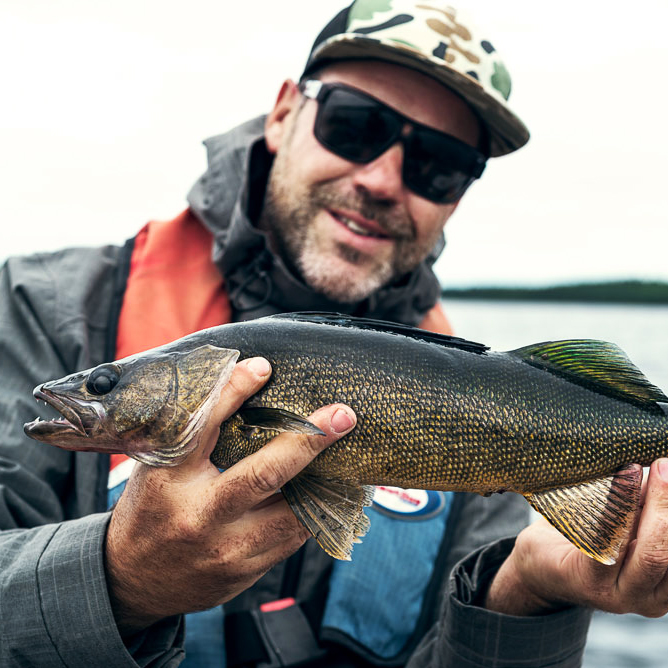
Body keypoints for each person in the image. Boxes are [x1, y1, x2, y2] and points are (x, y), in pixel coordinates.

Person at [3, 1, 668, 666]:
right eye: (354, 124)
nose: (380, 179)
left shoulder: (492, 410)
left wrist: (526, 594)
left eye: (438, 163)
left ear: (459, 194)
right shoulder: (40, 307)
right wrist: (117, 580)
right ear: (285, 111)